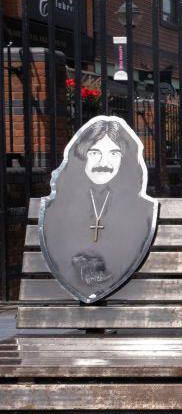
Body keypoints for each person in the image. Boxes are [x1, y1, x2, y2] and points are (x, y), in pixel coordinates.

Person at [39, 116, 158, 303]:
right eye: (94, 153)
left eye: (114, 154)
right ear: (82, 155)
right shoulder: (57, 210)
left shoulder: (142, 209)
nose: (104, 163)